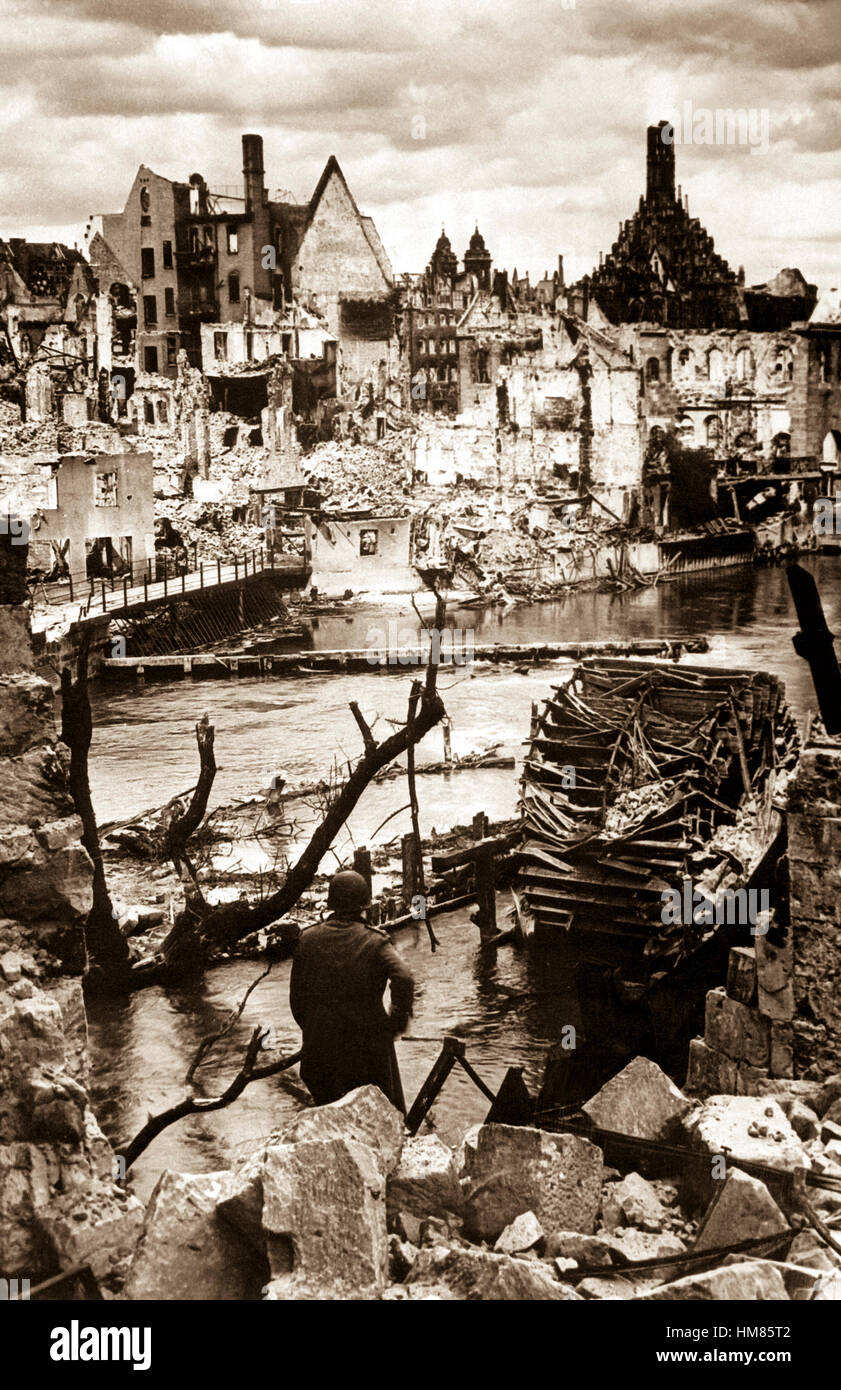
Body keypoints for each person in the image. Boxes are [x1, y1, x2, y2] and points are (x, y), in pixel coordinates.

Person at [289, 870, 414, 1112]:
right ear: (363, 907)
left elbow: (297, 1000)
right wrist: (394, 1024)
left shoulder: (307, 940)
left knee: (329, 1116)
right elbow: (404, 978)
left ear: (331, 904)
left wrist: (316, 1028)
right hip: (367, 1049)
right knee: (380, 1114)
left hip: (321, 1049)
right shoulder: (375, 941)